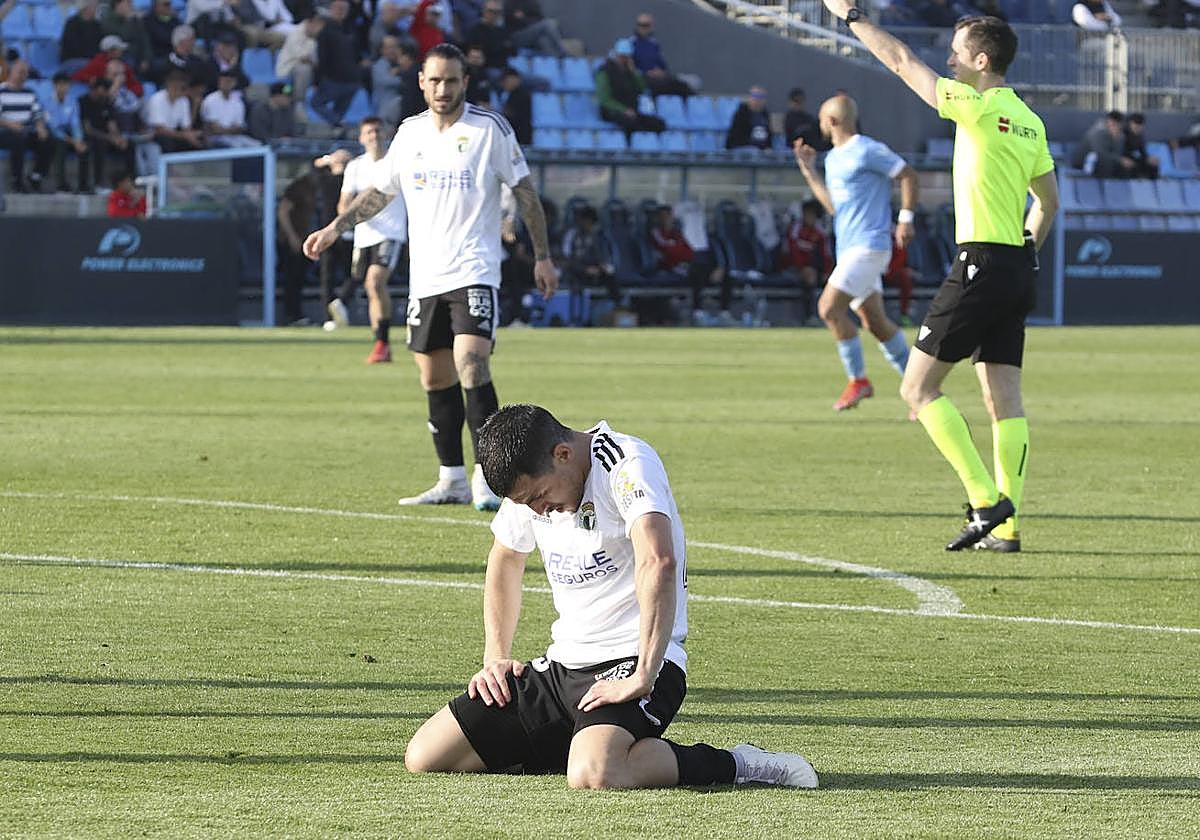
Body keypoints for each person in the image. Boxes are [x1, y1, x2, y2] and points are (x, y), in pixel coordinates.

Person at [403, 403, 820, 790]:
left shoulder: (627, 464)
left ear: (563, 454)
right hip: (564, 667)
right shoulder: (533, 488)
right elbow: (506, 559)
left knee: (597, 773)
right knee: (426, 754)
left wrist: (643, 675)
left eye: (540, 498)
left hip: (636, 662)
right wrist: (495, 657)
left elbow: (658, 561)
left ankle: (738, 764)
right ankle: (581, 740)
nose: (540, 511)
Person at [820, 2, 1058, 551]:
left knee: (917, 388)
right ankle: (1010, 527)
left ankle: (985, 502)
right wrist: (1026, 248)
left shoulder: (974, 105)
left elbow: (902, 61)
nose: (947, 61)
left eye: (956, 53)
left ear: (981, 60)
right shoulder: (1030, 120)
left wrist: (851, 14)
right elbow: (1047, 203)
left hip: (980, 263)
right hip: (1018, 267)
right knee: (1005, 400)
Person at [301, 43, 559, 511]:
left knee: (471, 362)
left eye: (452, 81)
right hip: (426, 276)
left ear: (466, 82)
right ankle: (452, 479)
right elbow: (379, 194)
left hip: (475, 268)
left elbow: (525, 192)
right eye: (435, 81)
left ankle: (489, 477)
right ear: (422, 81)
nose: (443, 89)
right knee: (434, 377)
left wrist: (542, 255)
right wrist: (334, 228)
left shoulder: (489, 130)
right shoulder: (410, 134)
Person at [793, 94, 918, 411]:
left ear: (831, 121)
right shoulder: (834, 158)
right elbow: (835, 207)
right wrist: (809, 172)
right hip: (850, 249)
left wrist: (905, 218)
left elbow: (908, 175)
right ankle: (919, 389)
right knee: (875, 322)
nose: (820, 125)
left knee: (829, 309)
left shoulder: (867, 149)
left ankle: (858, 381)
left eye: (822, 119)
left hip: (869, 246)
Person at [326, 116, 409, 365]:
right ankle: (381, 344)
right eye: (368, 132)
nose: (374, 136)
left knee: (375, 282)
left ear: (386, 134)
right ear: (361, 139)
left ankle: (384, 342)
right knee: (371, 289)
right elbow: (343, 203)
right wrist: (350, 212)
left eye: (377, 131)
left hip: (391, 233)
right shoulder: (355, 167)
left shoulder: (396, 164)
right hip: (363, 236)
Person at [278, 150, 352, 325]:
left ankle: (338, 307)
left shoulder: (350, 178)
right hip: (309, 236)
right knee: (301, 277)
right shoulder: (312, 182)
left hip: (336, 234)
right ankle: (297, 316)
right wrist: (331, 159)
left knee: (351, 273)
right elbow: (283, 210)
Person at [649, 203, 731, 327]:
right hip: (671, 266)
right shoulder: (656, 233)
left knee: (724, 274)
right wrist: (677, 250)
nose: (669, 219)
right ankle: (698, 312)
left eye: (670, 216)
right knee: (696, 272)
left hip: (688, 263)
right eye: (665, 216)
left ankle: (724, 313)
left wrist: (716, 268)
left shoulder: (677, 233)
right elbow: (668, 251)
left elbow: (688, 250)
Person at [595, 38, 665, 139]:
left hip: (631, 111)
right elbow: (605, 99)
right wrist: (623, 110)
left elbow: (642, 88)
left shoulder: (629, 73)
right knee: (632, 124)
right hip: (613, 111)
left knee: (658, 124)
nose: (624, 60)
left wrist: (634, 72)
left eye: (627, 57)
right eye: (622, 56)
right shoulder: (604, 72)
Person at [0, 60, 52, 193]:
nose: (23, 76)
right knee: (18, 138)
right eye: (20, 72)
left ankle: (36, 177)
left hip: (25, 130)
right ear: (11, 73)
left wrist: (41, 127)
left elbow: (38, 114)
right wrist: (10, 124)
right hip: (5, 131)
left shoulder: (30, 92)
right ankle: (17, 181)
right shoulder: (2, 91)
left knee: (47, 139)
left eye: (25, 73)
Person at [779, 199, 832, 325]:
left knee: (834, 281)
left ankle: (830, 316)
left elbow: (827, 255)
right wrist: (802, 268)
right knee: (809, 276)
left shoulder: (821, 233)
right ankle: (809, 316)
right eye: (807, 214)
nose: (810, 217)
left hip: (815, 269)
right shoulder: (795, 230)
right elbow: (790, 254)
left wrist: (827, 272)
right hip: (792, 269)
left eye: (812, 214)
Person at [312, 0, 363, 126]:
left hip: (338, 79)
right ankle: (339, 129)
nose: (340, 11)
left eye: (343, 8)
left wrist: (316, 81)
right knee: (336, 113)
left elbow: (322, 59)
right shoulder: (350, 31)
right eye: (337, 8)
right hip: (352, 80)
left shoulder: (328, 32)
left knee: (316, 103)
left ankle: (339, 125)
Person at [80, 76, 134, 185]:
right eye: (101, 92)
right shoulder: (83, 102)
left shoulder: (106, 102)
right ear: (94, 90)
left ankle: (130, 180)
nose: (104, 94)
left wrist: (119, 138)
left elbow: (112, 125)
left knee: (129, 144)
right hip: (89, 136)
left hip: (106, 136)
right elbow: (88, 129)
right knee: (100, 144)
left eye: (105, 91)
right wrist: (110, 138)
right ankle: (98, 182)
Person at [44, 72, 90, 193]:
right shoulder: (47, 102)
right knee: (60, 146)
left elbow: (75, 122)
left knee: (85, 148)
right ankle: (61, 185)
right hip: (54, 135)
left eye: (66, 85)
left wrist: (79, 140)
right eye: (61, 85)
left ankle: (83, 185)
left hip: (70, 133)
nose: (64, 88)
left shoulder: (72, 101)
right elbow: (53, 128)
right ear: (55, 85)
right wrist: (73, 141)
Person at [630, 12, 693, 98]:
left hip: (658, 78)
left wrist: (660, 72)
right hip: (642, 79)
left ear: (651, 26)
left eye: (646, 25)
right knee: (657, 88)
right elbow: (630, 68)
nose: (643, 28)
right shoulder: (631, 43)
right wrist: (646, 73)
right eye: (641, 25)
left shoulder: (654, 44)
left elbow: (662, 64)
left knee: (682, 86)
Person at [144, 69, 205, 152]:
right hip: (156, 135)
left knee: (199, 138)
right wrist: (184, 135)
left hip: (175, 133)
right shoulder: (157, 99)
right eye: (181, 88)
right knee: (166, 141)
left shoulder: (183, 101)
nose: (183, 91)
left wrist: (195, 107)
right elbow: (159, 130)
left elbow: (187, 127)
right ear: (170, 85)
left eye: (184, 88)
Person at [276, 15, 323, 118]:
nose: (319, 30)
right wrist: (314, 61)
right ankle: (299, 103)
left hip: (310, 68)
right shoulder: (295, 33)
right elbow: (302, 56)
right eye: (317, 26)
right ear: (310, 23)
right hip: (288, 68)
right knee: (304, 69)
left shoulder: (316, 36)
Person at [73, 35, 145, 96]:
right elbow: (78, 75)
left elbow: (135, 85)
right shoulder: (98, 64)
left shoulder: (124, 65)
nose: (122, 51)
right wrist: (98, 80)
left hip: (123, 99)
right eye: (119, 49)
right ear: (110, 51)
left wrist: (127, 92)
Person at [201, 69, 258, 146]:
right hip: (215, 139)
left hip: (234, 137)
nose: (226, 84)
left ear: (234, 83)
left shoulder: (238, 102)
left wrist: (227, 130)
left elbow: (239, 128)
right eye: (223, 81)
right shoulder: (210, 100)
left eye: (229, 81)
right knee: (236, 146)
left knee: (257, 145)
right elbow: (213, 129)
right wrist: (231, 130)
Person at [1074, 110, 1135, 177]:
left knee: (1127, 165)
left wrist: (1116, 139)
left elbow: (1118, 152)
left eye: (1118, 125)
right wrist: (1120, 160)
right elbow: (1100, 153)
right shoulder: (1097, 132)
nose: (1116, 127)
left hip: (1105, 162)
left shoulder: (1121, 135)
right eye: (1113, 124)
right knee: (1106, 162)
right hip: (1086, 162)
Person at [61, 0, 105, 74]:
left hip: (92, 60)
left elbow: (100, 45)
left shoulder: (97, 25)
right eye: (94, 7)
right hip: (72, 59)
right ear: (85, 8)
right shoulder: (72, 23)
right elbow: (71, 46)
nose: (96, 9)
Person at [725, 86, 773, 151]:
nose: (758, 100)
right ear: (750, 98)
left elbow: (768, 135)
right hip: (741, 147)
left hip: (760, 149)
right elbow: (736, 137)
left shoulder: (765, 114)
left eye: (761, 97)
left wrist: (768, 147)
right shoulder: (741, 113)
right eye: (756, 96)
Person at [496, 67, 531, 145]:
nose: (511, 82)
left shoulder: (522, 95)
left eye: (513, 79)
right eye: (508, 80)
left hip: (519, 134)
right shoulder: (501, 93)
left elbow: (518, 116)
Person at [1123, 112, 1159, 179]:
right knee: (1131, 165)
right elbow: (1120, 151)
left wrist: (1149, 158)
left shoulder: (1140, 136)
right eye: (1135, 125)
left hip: (1132, 158)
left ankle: (1153, 185)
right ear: (1130, 124)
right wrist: (1123, 159)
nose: (1137, 128)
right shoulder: (1122, 134)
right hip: (1121, 159)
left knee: (1152, 164)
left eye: (1140, 126)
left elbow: (1143, 152)